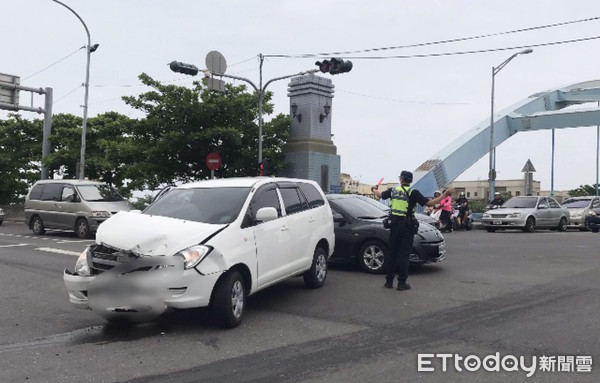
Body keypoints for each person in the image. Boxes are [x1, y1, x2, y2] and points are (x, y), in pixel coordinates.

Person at [372, 171, 453, 291]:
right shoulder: (413, 192)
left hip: (394, 225)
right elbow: (430, 203)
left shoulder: (393, 190)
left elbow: (379, 195)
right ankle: (401, 283)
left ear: (401, 179)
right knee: (404, 255)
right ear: (410, 181)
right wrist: (445, 194)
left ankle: (389, 281)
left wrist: (373, 189)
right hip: (407, 226)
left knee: (392, 253)